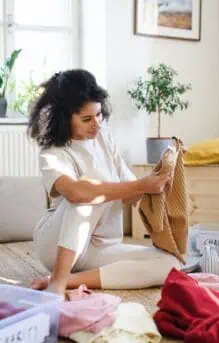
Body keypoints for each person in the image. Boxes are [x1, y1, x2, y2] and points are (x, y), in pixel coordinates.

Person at [28, 69, 181, 296]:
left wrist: (163, 171)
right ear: (64, 118)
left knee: (171, 264)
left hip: (102, 247)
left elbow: (131, 195)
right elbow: (78, 193)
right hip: (57, 246)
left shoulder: (104, 138)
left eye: (99, 114)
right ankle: (58, 281)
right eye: (87, 119)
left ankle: (70, 280)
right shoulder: (53, 153)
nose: (97, 124)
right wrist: (141, 185)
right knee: (89, 193)